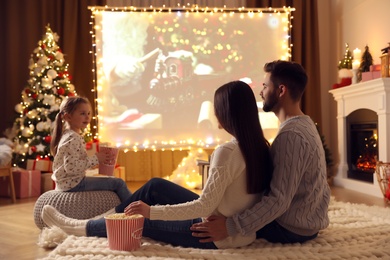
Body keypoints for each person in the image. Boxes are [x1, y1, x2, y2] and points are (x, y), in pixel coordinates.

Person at [41, 80, 274, 249]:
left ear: (224, 113)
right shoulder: (260, 145)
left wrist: (150, 211)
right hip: (237, 229)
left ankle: (81, 227)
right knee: (154, 187)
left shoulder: (227, 151)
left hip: (213, 234)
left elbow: (203, 207)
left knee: (140, 221)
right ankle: (102, 220)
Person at [190, 60, 331, 244]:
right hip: (305, 224)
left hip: (289, 229)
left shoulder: (292, 135)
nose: (261, 92)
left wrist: (229, 227)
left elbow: (278, 201)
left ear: (281, 91)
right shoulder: (305, 124)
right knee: (197, 203)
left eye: (265, 86)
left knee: (201, 219)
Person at [50, 96, 131, 203]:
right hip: (73, 184)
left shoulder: (68, 135)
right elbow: (71, 168)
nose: (87, 117)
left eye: (88, 114)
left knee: (109, 180)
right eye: (82, 114)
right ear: (68, 117)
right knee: (118, 183)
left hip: (68, 182)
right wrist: (96, 158)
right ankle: (135, 208)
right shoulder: (72, 138)